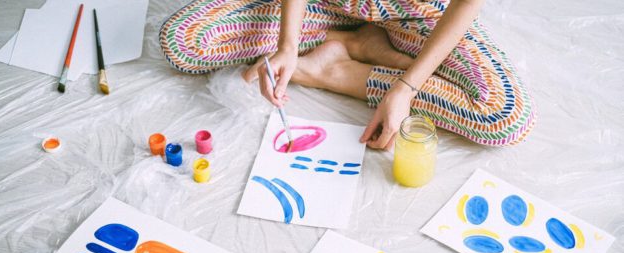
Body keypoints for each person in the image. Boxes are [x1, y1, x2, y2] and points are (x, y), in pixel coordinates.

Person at [160, 0, 536, 148]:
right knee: (185, 41)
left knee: (502, 116)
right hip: (328, 6)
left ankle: (338, 69)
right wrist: (288, 45)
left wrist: (404, 89)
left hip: (421, 14)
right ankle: (359, 44)